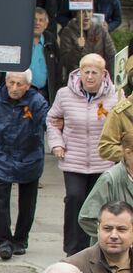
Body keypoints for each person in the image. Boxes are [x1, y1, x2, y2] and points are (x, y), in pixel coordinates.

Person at [48, 54, 116, 255]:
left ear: (104, 74)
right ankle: (73, 250)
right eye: (86, 71)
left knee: (99, 205)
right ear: (79, 72)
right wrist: (57, 144)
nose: (90, 76)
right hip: (73, 159)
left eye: (95, 72)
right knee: (75, 198)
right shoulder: (64, 94)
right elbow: (52, 120)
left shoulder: (114, 96)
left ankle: (96, 248)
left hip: (102, 161)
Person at [0, 69, 49, 260]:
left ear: (28, 86)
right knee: (1, 201)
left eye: (19, 84)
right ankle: (4, 242)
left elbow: (47, 122)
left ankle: (20, 240)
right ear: (6, 81)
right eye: (11, 83)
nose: (14, 88)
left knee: (27, 202)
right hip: (2, 155)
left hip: (29, 156)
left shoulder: (37, 101)